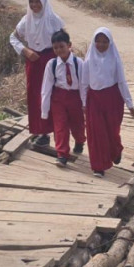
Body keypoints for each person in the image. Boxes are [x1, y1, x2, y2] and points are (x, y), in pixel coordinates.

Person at [9, 0, 64, 146]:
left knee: (53, 95)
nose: (34, 5)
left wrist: (63, 57)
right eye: (31, 1)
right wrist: (25, 51)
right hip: (33, 60)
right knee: (35, 96)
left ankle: (59, 132)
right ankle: (41, 132)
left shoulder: (53, 20)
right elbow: (13, 38)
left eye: (37, 1)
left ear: (44, 1)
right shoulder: (26, 21)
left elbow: (63, 40)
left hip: (51, 60)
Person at [81, 27, 134, 177]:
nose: (101, 44)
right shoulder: (88, 61)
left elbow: (122, 82)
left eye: (105, 41)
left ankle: (115, 150)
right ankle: (99, 166)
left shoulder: (115, 60)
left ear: (110, 43)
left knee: (112, 131)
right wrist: (83, 103)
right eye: (98, 41)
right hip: (94, 100)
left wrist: (129, 103)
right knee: (96, 132)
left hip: (112, 99)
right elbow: (84, 84)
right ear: (93, 42)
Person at [40, 30, 86, 167]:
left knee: (78, 125)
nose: (59, 50)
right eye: (55, 48)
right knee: (60, 127)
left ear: (69, 45)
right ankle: (62, 154)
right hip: (58, 98)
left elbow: (84, 85)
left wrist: (84, 102)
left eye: (62, 46)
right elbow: (46, 87)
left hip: (75, 97)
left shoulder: (79, 63)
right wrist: (44, 110)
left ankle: (80, 140)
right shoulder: (51, 65)